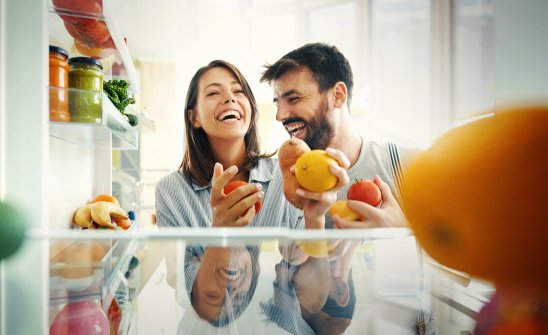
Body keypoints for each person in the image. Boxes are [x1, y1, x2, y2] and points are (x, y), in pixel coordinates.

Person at [155, 59, 348, 326]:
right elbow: (206, 306)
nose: (229, 99)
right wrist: (221, 232)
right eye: (213, 93)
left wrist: (314, 220)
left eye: (238, 91)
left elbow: (311, 300)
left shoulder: (288, 176)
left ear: (251, 110)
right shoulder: (172, 191)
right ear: (194, 117)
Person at [260, 42, 417, 229]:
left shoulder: (408, 167)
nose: (280, 115)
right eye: (278, 103)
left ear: (338, 95)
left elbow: (448, 252)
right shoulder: (282, 184)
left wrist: (403, 231)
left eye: (293, 99)